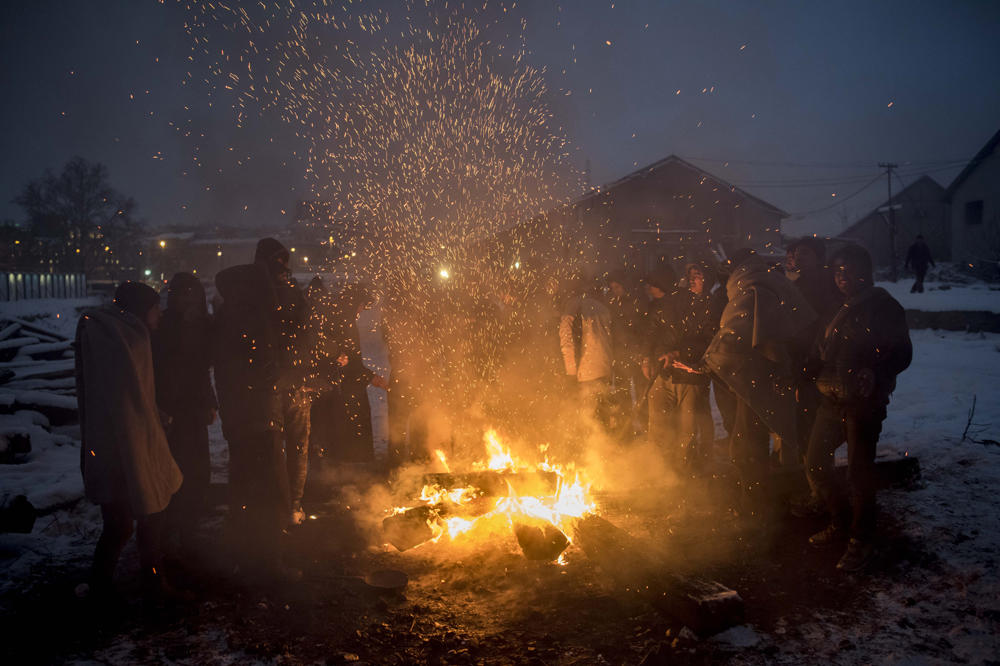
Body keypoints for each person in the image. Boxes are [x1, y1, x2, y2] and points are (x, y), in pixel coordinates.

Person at [803, 244, 912, 571]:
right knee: (814, 462)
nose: (842, 277)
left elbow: (902, 353)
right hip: (831, 400)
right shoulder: (836, 309)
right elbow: (821, 352)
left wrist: (876, 372)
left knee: (859, 473)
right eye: (837, 271)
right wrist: (804, 372)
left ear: (865, 272)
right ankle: (841, 521)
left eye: (849, 271)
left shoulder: (884, 308)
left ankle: (861, 540)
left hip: (863, 404)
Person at [75, 281, 182, 599]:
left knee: (120, 523)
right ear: (141, 310)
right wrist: (149, 423)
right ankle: (151, 586)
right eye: (155, 308)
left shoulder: (105, 331)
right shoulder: (128, 338)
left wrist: (153, 412)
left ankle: (101, 588)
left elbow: (131, 394)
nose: (160, 315)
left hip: (109, 440)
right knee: (147, 517)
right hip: (125, 442)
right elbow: (128, 400)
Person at [700, 250, 816, 511]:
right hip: (765, 377)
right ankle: (763, 499)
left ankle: (757, 508)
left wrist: (716, 357)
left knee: (748, 445)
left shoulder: (754, 290)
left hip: (765, 378)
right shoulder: (767, 282)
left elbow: (762, 338)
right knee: (756, 442)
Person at [213, 262, 290, 578]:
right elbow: (249, 374)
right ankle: (266, 562)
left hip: (246, 420)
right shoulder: (246, 322)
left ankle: (246, 557)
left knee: (247, 490)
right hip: (255, 421)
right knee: (264, 492)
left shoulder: (231, 319)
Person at [153, 273, 217, 557]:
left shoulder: (198, 325)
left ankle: (189, 528)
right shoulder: (162, 327)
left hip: (193, 409)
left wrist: (209, 402)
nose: (189, 300)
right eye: (183, 294)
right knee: (174, 470)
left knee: (198, 470)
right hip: (171, 411)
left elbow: (201, 368)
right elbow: (161, 370)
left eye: (192, 294)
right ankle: (169, 532)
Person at [254, 238, 314, 526]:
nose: (283, 267)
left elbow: (307, 332)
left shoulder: (283, 292)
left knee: (289, 449)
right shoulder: (272, 295)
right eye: (280, 261)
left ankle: (288, 506)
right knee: (282, 450)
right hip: (277, 387)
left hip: (287, 384)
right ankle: (284, 508)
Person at [659, 263, 718, 471]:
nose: (692, 279)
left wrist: (682, 353)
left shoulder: (711, 304)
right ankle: (692, 457)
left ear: (707, 278)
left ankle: (696, 459)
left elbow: (707, 339)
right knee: (692, 414)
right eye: (690, 275)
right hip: (681, 367)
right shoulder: (684, 301)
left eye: (698, 275)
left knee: (694, 415)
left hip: (697, 366)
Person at [559, 276, 614, 422]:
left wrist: (570, 372)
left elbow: (567, 341)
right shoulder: (602, 307)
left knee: (587, 420)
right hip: (604, 369)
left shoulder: (572, 307)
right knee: (602, 418)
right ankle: (605, 443)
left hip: (585, 372)